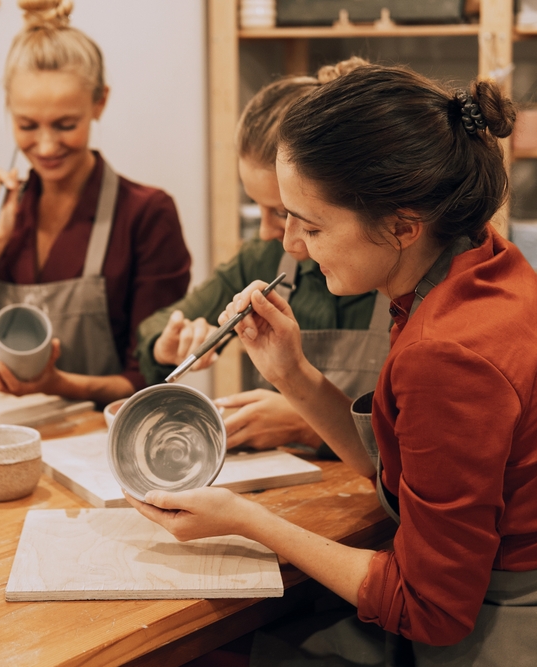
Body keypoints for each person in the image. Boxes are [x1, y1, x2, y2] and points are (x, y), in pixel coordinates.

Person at [128, 64, 537, 666]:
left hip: (524, 635)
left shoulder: (449, 350)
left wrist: (246, 520)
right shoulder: (476, 256)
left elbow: (429, 606)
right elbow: (404, 475)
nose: (292, 245)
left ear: (403, 226)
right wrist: (293, 374)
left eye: (311, 223)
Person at [0, 0, 191, 406]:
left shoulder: (145, 215)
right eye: (27, 125)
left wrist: (55, 384)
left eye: (66, 125)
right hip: (17, 439)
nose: (47, 145)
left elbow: (154, 379)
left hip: (109, 445)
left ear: (100, 103)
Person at [135, 57, 390, 452]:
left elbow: (421, 447)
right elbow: (155, 328)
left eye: (287, 213)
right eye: (258, 208)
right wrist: (168, 343)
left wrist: (307, 423)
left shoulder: (394, 276)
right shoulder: (262, 261)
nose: (276, 235)